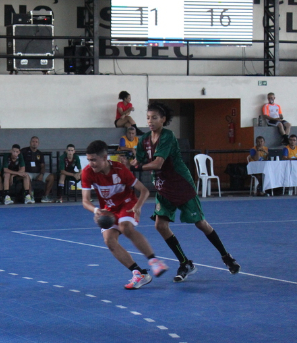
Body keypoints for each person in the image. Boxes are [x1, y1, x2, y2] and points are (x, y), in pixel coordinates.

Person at [130, 102, 240, 282]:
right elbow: (137, 161)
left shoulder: (168, 136)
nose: (150, 121)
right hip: (163, 186)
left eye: (154, 118)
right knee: (160, 225)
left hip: (181, 185)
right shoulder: (144, 140)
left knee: (201, 223)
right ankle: (185, 263)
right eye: (148, 118)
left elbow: (158, 163)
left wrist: (137, 167)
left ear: (163, 119)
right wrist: (126, 165)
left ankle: (226, 257)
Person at [82, 140, 168, 289]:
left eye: (94, 160)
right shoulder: (87, 172)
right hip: (108, 209)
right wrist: (96, 210)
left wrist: (138, 207)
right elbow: (85, 201)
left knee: (125, 227)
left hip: (127, 203)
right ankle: (138, 273)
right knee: (109, 241)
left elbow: (144, 190)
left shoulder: (120, 170)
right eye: (89, 160)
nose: (91, 164)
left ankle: (154, 261)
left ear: (105, 158)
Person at [21, 136, 48, 202]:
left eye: (36, 142)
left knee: (51, 177)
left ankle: (45, 196)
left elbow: (43, 166)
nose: (34, 143)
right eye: (33, 141)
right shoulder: (24, 151)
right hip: (27, 172)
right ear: (30, 142)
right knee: (26, 176)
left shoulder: (40, 153)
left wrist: (41, 174)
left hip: (38, 173)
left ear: (38, 143)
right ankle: (30, 196)